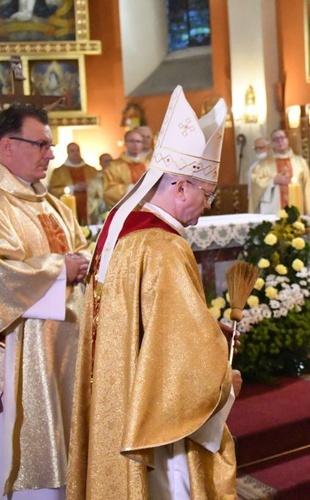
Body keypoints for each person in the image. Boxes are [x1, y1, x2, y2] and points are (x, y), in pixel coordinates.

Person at [67, 85, 241, 499]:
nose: (207, 204)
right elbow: (185, 359)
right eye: (205, 192)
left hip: (118, 393)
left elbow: (138, 320)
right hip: (158, 423)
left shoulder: (121, 229)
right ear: (179, 187)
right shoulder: (163, 246)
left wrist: (206, 326)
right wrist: (224, 378)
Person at [0, 103, 89, 498]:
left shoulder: (52, 203)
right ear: (7, 147)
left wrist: (83, 262)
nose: (50, 154)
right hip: (23, 357)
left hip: (70, 349)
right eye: (41, 144)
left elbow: (83, 248)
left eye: (50, 146)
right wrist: (59, 270)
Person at [249, 128, 310, 215]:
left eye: (282, 138)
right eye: (275, 139)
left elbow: (308, 185)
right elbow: (255, 184)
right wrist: (273, 181)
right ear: (271, 144)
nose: (280, 141)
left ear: (288, 140)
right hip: (273, 210)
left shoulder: (300, 162)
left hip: (297, 208)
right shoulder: (262, 165)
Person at [48, 142, 101, 225]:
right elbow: (53, 190)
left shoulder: (91, 170)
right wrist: (73, 188)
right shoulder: (58, 171)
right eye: (72, 151)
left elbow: (100, 189)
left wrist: (90, 187)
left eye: (77, 150)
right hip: (69, 209)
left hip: (89, 209)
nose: (75, 153)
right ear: (67, 153)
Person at [102, 129, 146, 208]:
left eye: (138, 141)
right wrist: (129, 189)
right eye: (132, 141)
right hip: (126, 209)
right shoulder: (114, 166)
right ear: (125, 143)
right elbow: (108, 190)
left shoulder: (148, 164)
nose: (135, 144)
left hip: (148, 208)